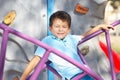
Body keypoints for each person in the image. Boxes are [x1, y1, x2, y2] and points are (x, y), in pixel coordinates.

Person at [18, 11, 114, 80]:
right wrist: (22, 78)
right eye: (57, 26)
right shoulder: (47, 41)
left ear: (68, 29)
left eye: (64, 27)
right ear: (50, 28)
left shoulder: (71, 38)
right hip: (73, 76)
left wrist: (99, 26)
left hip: (85, 72)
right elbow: (35, 60)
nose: (60, 29)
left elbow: (84, 35)